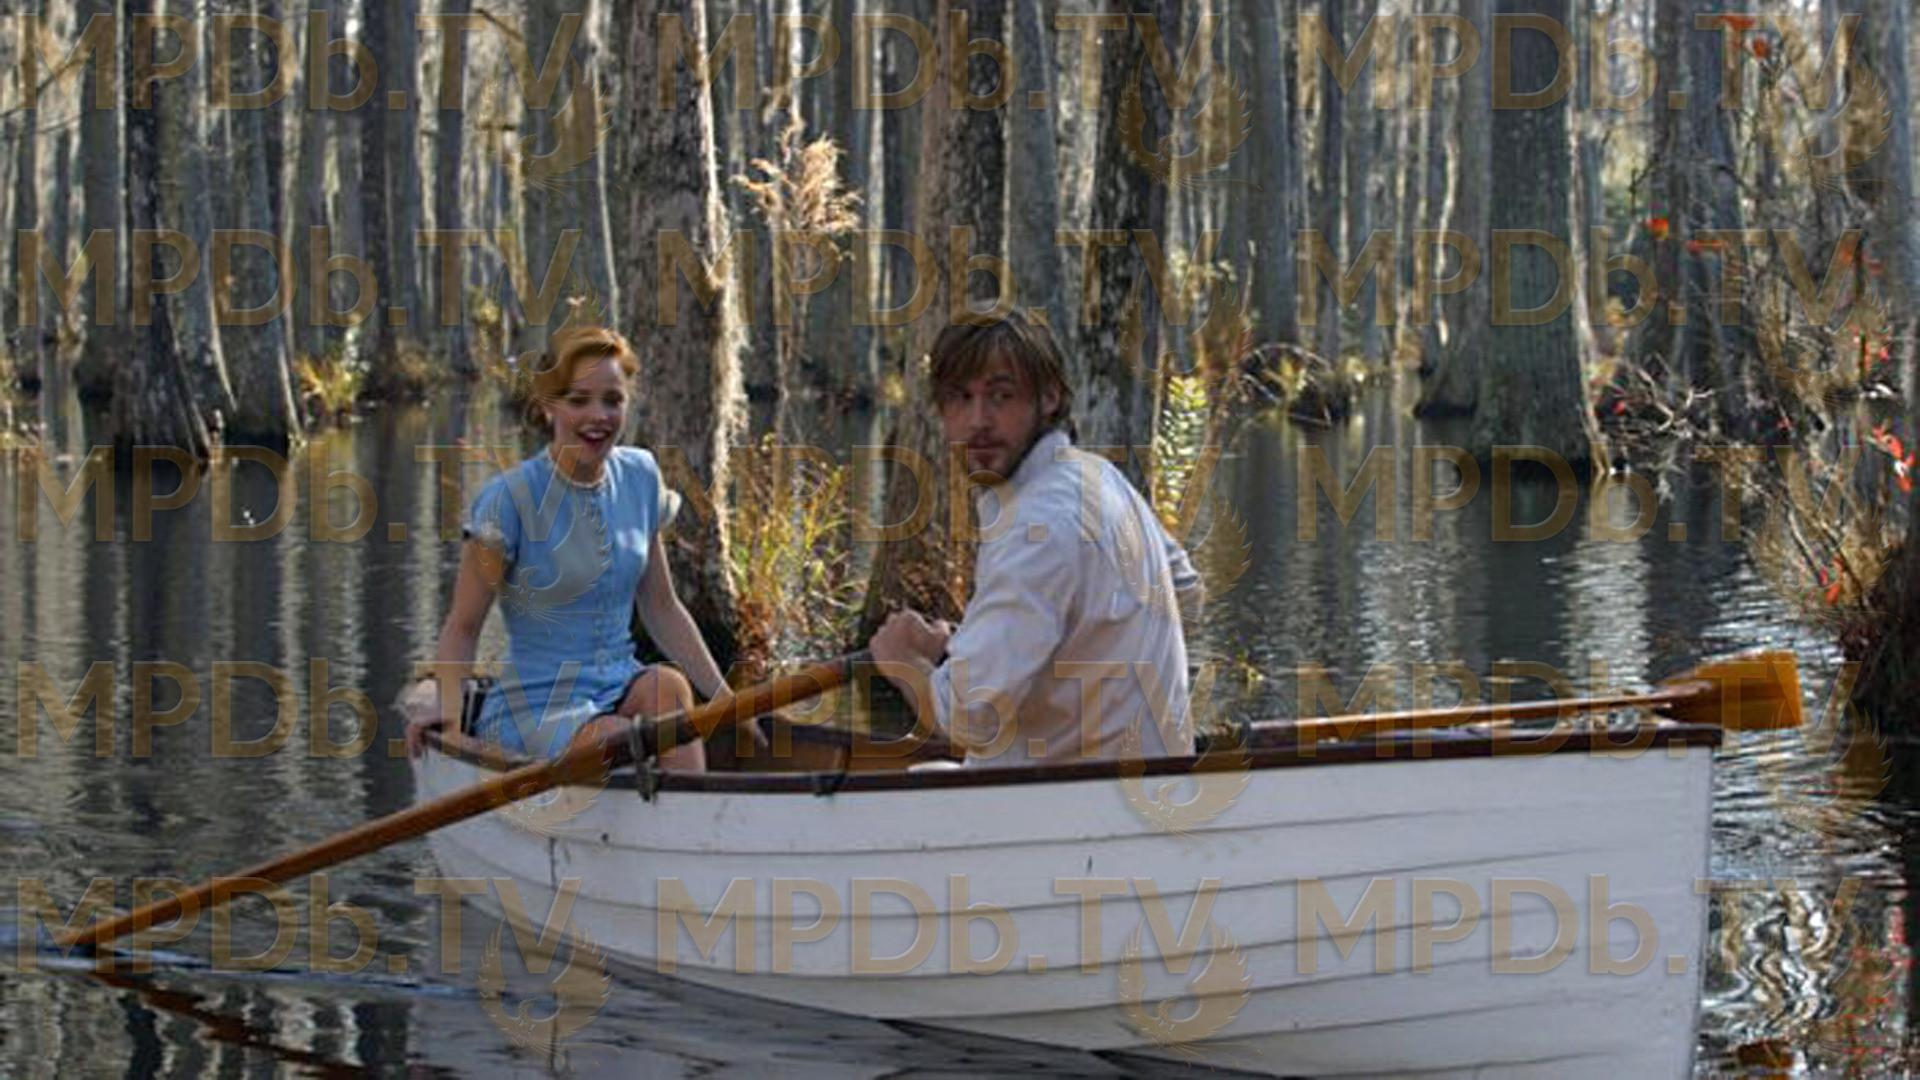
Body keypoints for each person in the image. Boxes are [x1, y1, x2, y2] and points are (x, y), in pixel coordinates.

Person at [866, 312, 1203, 767]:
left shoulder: (1035, 529)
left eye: (1001, 396)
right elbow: (1187, 593)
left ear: (1049, 399)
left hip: (1066, 798)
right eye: (960, 398)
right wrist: (975, 648)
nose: (978, 420)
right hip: (1147, 785)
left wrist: (902, 660)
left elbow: (968, 718)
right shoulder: (1096, 475)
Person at [403, 326, 731, 769]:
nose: (599, 416)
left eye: (612, 400)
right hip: (538, 706)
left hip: (619, 684)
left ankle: (689, 808)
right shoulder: (508, 501)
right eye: (579, 401)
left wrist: (726, 699)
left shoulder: (640, 475)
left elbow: (662, 607)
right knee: (616, 737)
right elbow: (463, 626)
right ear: (548, 405)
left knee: (668, 686)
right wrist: (447, 708)